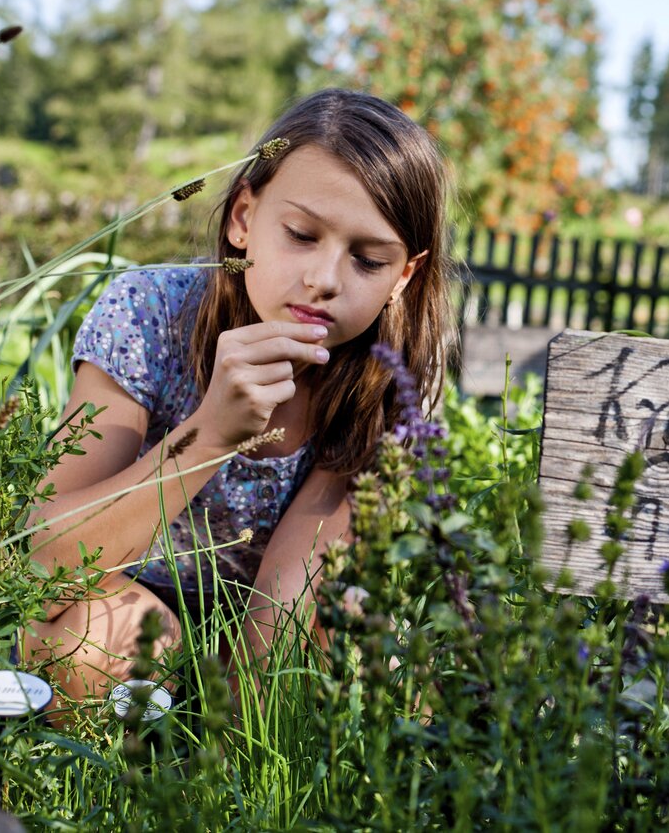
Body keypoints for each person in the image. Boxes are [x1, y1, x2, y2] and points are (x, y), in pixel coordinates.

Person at [24, 89, 455, 709]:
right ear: (244, 218)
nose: (324, 279)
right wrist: (212, 435)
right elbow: (40, 563)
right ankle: (77, 789)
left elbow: (284, 611)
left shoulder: (393, 379)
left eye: (366, 260)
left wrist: (226, 746)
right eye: (302, 234)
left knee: (367, 644)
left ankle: (238, 791)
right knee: (120, 637)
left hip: (248, 634)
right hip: (100, 604)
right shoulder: (150, 314)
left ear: (403, 276)